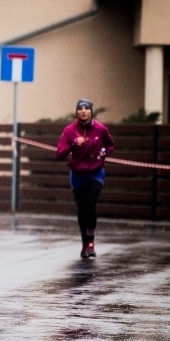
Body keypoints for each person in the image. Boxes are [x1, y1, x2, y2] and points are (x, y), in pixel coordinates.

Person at [55, 98, 115, 258]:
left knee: (90, 202)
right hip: (78, 174)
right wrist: (74, 144)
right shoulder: (69, 131)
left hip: (96, 172)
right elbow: (59, 154)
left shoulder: (100, 129)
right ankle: (84, 244)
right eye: (80, 108)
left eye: (86, 108)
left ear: (91, 111)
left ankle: (91, 243)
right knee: (82, 208)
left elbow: (110, 145)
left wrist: (105, 152)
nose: (83, 111)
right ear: (76, 112)